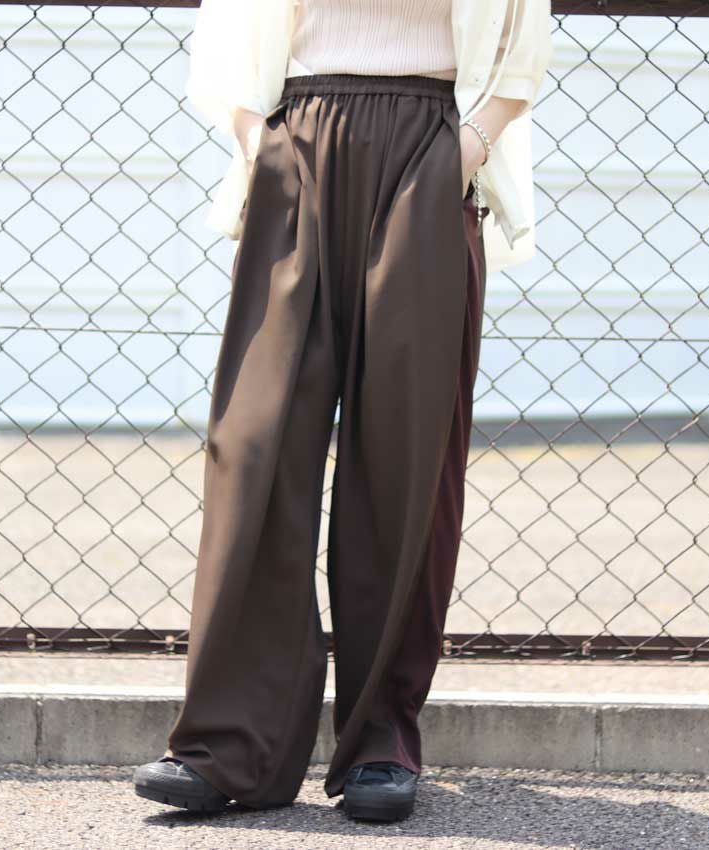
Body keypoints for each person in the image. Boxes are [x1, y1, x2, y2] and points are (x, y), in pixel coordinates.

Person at [134, 0, 554, 823]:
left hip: (429, 141)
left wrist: (462, 152)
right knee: (253, 444)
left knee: (404, 449)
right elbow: (230, 37)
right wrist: (260, 143)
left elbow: (518, 43)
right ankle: (231, 746)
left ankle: (380, 740)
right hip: (301, 133)